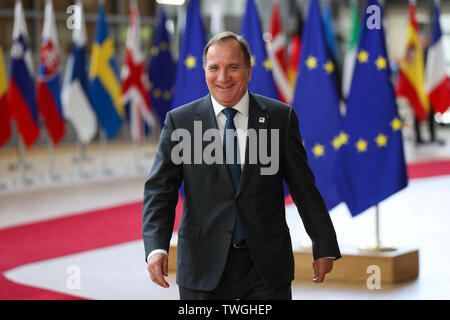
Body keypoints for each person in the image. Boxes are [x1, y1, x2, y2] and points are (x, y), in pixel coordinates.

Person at [142, 31, 341, 300]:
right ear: (205, 71)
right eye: (214, 68)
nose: (223, 77)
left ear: (249, 71)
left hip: (266, 267)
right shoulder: (181, 122)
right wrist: (156, 247)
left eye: (233, 67)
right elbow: (160, 192)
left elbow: (304, 187)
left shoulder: (280, 118)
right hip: (203, 265)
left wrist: (323, 242)